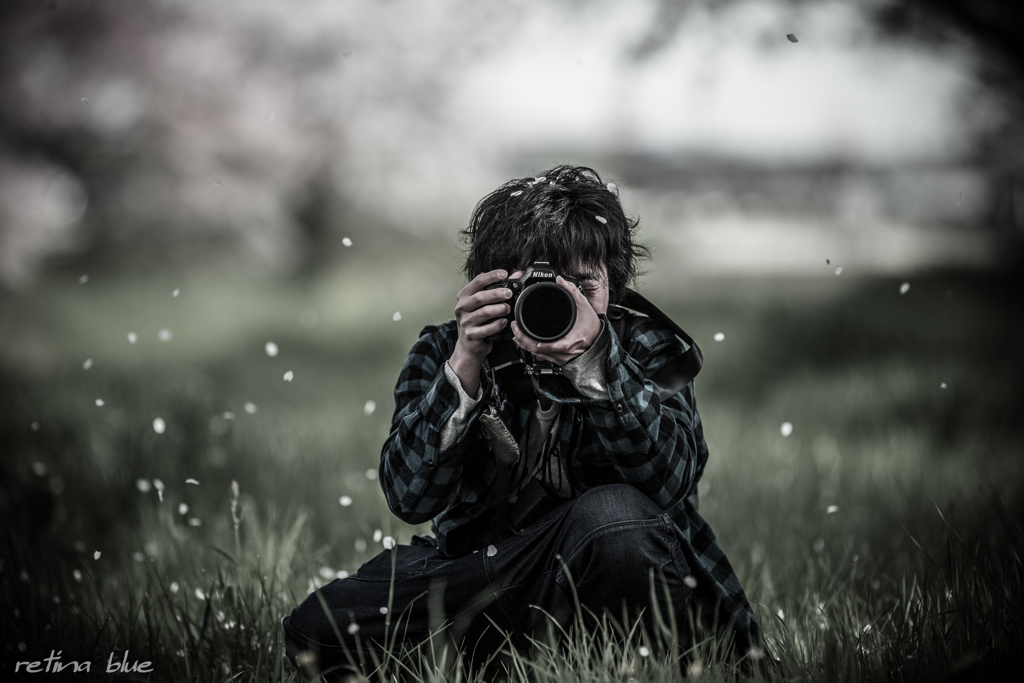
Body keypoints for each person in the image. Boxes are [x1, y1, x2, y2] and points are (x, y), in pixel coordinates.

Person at [282, 165, 762, 679]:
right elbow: (408, 498)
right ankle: (500, 661)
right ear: (488, 284)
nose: (562, 302)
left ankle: (595, 665)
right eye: (533, 285)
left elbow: (668, 482)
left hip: (614, 578)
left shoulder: (647, 346)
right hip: (489, 568)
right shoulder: (449, 348)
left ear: (614, 289)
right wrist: (465, 365)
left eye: (583, 285)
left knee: (615, 521)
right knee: (317, 628)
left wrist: (595, 364)